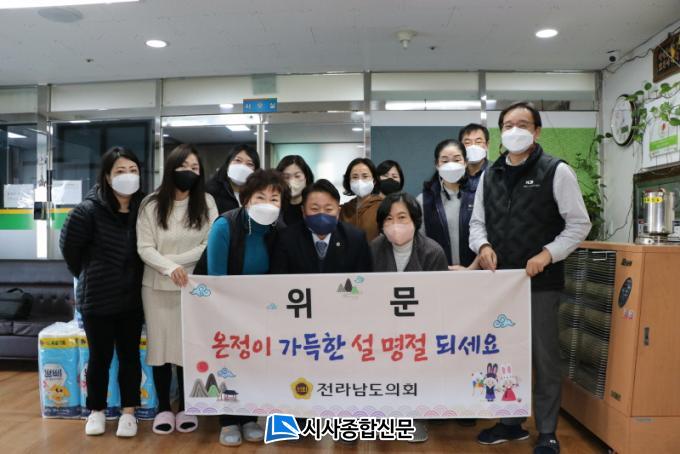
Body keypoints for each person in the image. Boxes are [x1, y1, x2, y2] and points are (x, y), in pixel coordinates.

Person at [469, 102, 591, 454]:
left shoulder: (556, 171)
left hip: (540, 283)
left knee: (543, 358)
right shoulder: (490, 174)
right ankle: (510, 422)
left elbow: (579, 224)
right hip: (501, 285)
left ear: (536, 131)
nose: (515, 130)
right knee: (505, 353)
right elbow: (477, 223)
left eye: (523, 124)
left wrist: (547, 254)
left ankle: (548, 430)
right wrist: (483, 246)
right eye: (508, 125)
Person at [60, 147, 145, 438]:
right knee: (99, 358)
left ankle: (129, 413)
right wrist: (90, 275)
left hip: (133, 298)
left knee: (130, 356)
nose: (128, 176)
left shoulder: (143, 208)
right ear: (107, 177)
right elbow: (70, 251)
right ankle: (96, 410)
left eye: (133, 170)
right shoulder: (87, 210)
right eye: (120, 171)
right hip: (97, 298)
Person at [137, 144, 218, 436]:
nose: (189, 172)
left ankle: (186, 406)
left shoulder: (206, 202)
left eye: (195, 168)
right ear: (171, 168)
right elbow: (144, 247)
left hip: (192, 287)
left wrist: (175, 263)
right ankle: (162, 407)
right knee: (160, 348)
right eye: (184, 166)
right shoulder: (150, 204)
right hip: (155, 288)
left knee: (187, 348)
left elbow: (209, 243)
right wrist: (169, 267)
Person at [206, 169, 288, 446]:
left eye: (274, 198)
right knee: (228, 364)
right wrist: (231, 310)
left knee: (254, 363)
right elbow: (216, 277)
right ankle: (228, 421)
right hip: (226, 306)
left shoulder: (279, 230)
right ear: (246, 199)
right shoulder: (225, 226)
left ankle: (250, 418)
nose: (268, 204)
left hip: (261, 309)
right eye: (260, 197)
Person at [370, 192, 448, 443]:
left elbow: (439, 300)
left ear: (415, 220)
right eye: (389, 219)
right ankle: (385, 412)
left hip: (421, 328)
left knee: (417, 367)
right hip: (382, 325)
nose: (395, 224)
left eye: (402, 217)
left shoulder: (433, 252)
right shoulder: (373, 249)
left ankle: (416, 415)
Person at [271, 178, 372, 275]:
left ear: (338, 212)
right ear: (303, 211)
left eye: (328, 209)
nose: (322, 214)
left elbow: (364, 280)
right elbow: (279, 280)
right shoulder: (286, 239)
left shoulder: (355, 239)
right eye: (315, 209)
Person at [417, 139, 478, 269]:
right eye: (445, 161)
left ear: (465, 162)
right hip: (436, 273)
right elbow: (419, 242)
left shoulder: (478, 195)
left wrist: (471, 269)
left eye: (457, 160)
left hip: (474, 272)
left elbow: (486, 235)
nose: (451, 165)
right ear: (437, 165)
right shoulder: (424, 200)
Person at [205, 144, 260, 214]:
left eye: (249, 164)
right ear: (228, 164)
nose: (242, 167)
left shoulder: (258, 192)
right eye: (238, 160)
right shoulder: (211, 191)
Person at [339, 158, 384, 241]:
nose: (360, 181)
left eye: (365, 176)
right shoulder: (344, 210)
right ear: (349, 181)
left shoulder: (382, 207)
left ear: (374, 181)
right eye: (355, 177)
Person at [276, 154, 314, 226]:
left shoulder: (314, 205)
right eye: (286, 177)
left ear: (306, 177)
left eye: (297, 176)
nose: (292, 181)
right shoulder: (275, 206)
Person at [458, 123, 489, 189]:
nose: (473, 146)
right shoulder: (455, 173)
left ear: (487, 145)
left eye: (478, 142)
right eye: (467, 143)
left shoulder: (497, 171)